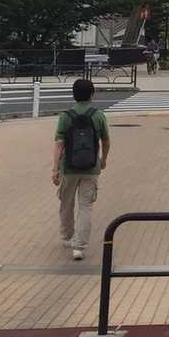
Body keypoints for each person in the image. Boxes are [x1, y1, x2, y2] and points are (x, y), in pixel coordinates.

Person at [52, 77, 111, 262]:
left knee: (66, 203)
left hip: (68, 168)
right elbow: (106, 141)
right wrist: (103, 160)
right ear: (92, 94)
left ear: (74, 95)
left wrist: (55, 169)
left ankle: (68, 236)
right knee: (86, 207)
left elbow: (59, 144)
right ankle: (79, 247)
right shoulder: (98, 115)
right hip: (91, 168)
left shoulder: (65, 116)